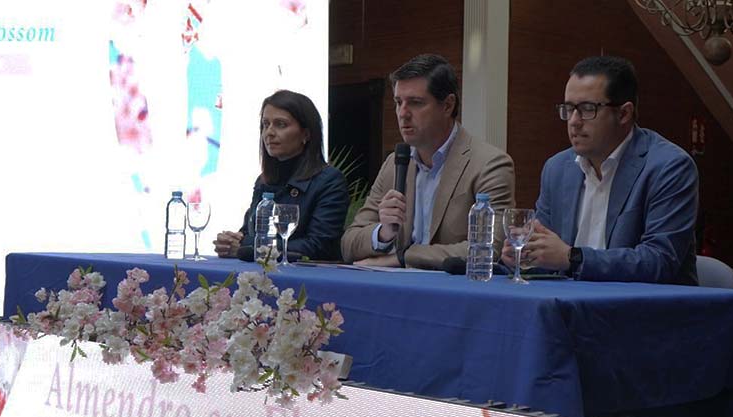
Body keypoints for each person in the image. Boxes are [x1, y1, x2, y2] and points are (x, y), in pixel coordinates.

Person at [508, 56, 698, 284]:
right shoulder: (557, 169)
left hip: (642, 312)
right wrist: (524, 255)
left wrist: (572, 257)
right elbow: (548, 258)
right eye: (569, 109)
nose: (574, 121)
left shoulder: (668, 167)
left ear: (624, 114)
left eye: (587, 109)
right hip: (572, 308)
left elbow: (660, 261)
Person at [341, 54, 514, 269]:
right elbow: (349, 243)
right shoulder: (394, 163)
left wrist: (404, 258)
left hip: (454, 294)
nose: (403, 114)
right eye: (398, 102)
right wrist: (383, 233)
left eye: (415, 103)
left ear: (448, 105)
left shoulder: (489, 164)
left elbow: (487, 248)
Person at [214, 90, 347, 262]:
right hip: (260, 275)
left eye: (281, 124)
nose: (269, 132)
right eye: (265, 124)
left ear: (306, 134)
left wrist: (246, 247)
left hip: (307, 280)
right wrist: (231, 241)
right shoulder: (263, 180)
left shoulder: (329, 181)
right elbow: (249, 232)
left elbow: (318, 246)